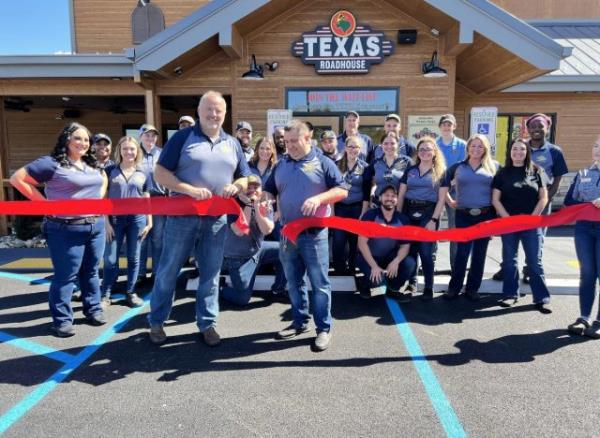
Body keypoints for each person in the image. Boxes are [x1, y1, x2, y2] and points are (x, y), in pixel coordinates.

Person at [147, 91, 251, 347]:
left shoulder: (232, 143)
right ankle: (157, 321)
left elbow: (244, 176)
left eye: (218, 110)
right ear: (199, 111)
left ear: (225, 113)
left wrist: (236, 187)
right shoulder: (183, 137)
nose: (214, 115)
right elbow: (159, 173)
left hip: (215, 219)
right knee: (169, 270)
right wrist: (189, 190)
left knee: (211, 274)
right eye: (209, 109)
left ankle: (207, 323)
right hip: (182, 217)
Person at [10, 122, 108, 337]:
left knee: (91, 271)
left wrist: (98, 198)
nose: (83, 143)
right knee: (66, 276)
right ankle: (62, 320)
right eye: (78, 138)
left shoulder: (90, 163)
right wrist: (44, 204)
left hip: (95, 226)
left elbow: (102, 179)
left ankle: (93, 309)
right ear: (67, 140)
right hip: (65, 229)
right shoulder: (51, 163)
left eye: (86, 139)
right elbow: (18, 179)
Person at [264, 120, 348, 352]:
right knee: (293, 282)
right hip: (287, 233)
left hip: (315, 235)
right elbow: (268, 189)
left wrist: (319, 199)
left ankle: (323, 328)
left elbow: (342, 190)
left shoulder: (323, 162)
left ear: (307, 139)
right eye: (286, 141)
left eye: (293, 141)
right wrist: (266, 199)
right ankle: (300, 322)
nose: (288, 146)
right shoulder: (280, 165)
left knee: (320, 284)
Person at [492, 139, 552, 313]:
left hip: (532, 224)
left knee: (534, 261)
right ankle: (510, 295)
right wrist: (507, 218)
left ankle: (541, 298)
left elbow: (543, 197)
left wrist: (533, 218)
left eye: (522, 149)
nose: (518, 152)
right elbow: (495, 199)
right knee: (510, 261)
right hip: (509, 223)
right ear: (510, 152)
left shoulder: (537, 171)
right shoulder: (502, 173)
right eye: (515, 149)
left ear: (527, 152)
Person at [443, 134, 498, 301]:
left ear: (485, 149)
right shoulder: (458, 167)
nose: (476, 149)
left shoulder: (494, 167)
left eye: (480, 146)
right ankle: (454, 288)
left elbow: (502, 189)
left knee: (479, 254)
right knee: (462, 253)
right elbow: (442, 183)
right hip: (463, 215)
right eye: (473, 146)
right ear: (467, 148)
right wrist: (450, 201)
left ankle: (472, 289)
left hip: (485, 215)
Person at [101, 136, 153, 309]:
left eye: (132, 149)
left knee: (134, 257)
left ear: (137, 151)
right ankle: (105, 294)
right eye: (125, 149)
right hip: (115, 220)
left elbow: (147, 199)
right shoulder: (110, 170)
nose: (129, 152)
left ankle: (130, 292)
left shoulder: (143, 172)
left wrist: (149, 222)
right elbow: (104, 198)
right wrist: (106, 223)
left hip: (136, 220)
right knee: (110, 259)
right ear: (119, 151)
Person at [221, 175, 287, 305]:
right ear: (241, 189)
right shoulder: (231, 204)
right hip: (238, 258)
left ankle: (277, 290)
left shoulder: (263, 204)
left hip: (258, 250)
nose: (252, 190)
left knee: (287, 250)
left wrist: (256, 207)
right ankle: (220, 288)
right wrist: (249, 205)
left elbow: (266, 230)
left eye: (256, 187)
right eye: (248, 187)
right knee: (242, 299)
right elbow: (240, 231)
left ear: (261, 190)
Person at [397, 137, 447, 300]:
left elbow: (441, 199)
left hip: (428, 214)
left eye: (428, 149)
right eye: (421, 149)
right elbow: (402, 194)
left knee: (426, 252)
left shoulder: (441, 172)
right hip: (408, 212)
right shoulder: (410, 170)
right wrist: (398, 216)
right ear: (417, 153)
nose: (425, 152)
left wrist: (433, 220)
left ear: (434, 152)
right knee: (410, 251)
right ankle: (412, 283)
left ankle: (428, 286)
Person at [564, 137, 600, 338]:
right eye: (596, 146)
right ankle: (583, 317)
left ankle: (599, 321)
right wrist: (587, 203)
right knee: (587, 274)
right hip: (584, 228)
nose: (598, 150)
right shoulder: (583, 173)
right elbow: (569, 200)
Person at [356, 184, 416, 301]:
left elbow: (405, 246)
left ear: (397, 200)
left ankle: (393, 290)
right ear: (380, 198)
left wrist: (396, 261)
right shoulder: (370, 215)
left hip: (389, 257)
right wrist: (374, 266)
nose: (389, 198)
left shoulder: (402, 219)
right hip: (369, 257)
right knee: (378, 279)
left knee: (409, 263)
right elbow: (362, 243)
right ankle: (364, 283)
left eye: (393, 196)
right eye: (386, 195)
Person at [332, 135, 368, 275]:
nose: (353, 149)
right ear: (345, 148)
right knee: (338, 240)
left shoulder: (365, 167)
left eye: (356, 147)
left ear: (360, 149)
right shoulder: (337, 165)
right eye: (350, 146)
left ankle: (352, 267)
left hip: (357, 208)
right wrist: (333, 212)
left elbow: (366, 192)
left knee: (354, 240)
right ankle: (339, 268)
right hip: (340, 208)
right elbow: (332, 190)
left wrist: (363, 213)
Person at [436, 114, 466, 273]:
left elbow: (464, 166)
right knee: (433, 226)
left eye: (449, 125)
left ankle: (455, 266)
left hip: (456, 190)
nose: (446, 127)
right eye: (444, 125)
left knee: (454, 228)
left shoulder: (462, 145)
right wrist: (442, 185)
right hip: (436, 190)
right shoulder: (435, 144)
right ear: (440, 127)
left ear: (454, 126)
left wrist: (452, 182)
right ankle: (430, 263)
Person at [137, 123, 166, 285]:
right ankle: (140, 273)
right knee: (142, 238)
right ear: (140, 136)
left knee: (158, 239)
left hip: (160, 201)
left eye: (153, 135)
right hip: (140, 202)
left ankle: (156, 272)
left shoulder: (162, 154)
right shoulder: (134, 154)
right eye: (147, 135)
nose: (150, 138)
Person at [363, 131, 412, 205]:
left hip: (399, 205)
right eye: (385, 143)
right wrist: (370, 201)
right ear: (381, 145)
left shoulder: (407, 161)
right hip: (378, 204)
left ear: (398, 145)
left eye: (392, 143)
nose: (389, 146)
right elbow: (369, 185)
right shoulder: (375, 162)